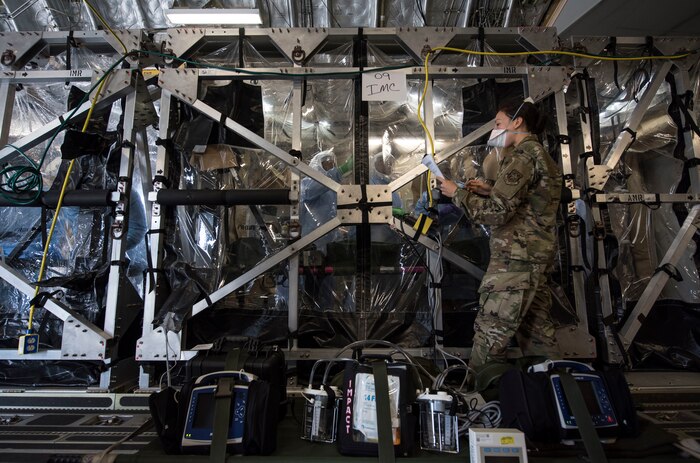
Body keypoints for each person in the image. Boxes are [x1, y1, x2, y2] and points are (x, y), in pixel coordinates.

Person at [438, 100, 562, 368]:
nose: (495, 131)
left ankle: (478, 401)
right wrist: (491, 189)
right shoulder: (541, 156)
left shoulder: (521, 158)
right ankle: (554, 396)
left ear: (517, 122)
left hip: (515, 264)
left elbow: (496, 213)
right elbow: (531, 202)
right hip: (536, 262)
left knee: (490, 336)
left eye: (498, 124)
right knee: (539, 340)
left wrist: (455, 193)